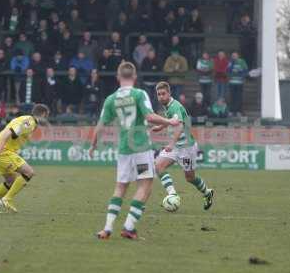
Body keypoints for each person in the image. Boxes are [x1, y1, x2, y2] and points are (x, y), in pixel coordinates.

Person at [89, 62, 179, 240]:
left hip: (124, 149)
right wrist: (169, 122)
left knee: (120, 187)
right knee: (145, 185)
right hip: (140, 147)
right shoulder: (139, 94)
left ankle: (107, 229)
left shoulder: (111, 99)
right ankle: (129, 227)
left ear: (118, 77)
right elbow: (149, 117)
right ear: (135, 77)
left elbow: (100, 126)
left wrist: (93, 145)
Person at [153, 81, 214, 210]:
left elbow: (180, 125)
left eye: (163, 94)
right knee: (158, 166)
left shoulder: (175, 106)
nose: (161, 97)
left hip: (186, 148)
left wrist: (171, 143)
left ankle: (208, 193)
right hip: (175, 147)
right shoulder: (168, 106)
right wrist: (161, 126)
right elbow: (170, 119)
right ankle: (172, 194)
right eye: (159, 94)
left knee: (190, 177)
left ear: (169, 93)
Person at [0, 104, 50, 213]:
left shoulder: (27, 121)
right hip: (3, 152)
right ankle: (7, 199)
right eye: (47, 116)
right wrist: (0, 147)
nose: (46, 119)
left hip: (0, 151)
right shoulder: (29, 122)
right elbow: (9, 132)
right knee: (29, 172)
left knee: (10, 180)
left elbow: (12, 133)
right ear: (43, 114)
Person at [228, 52, 248, 116]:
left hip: (239, 82)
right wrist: (232, 69)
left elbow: (245, 70)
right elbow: (227, 70)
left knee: (239, 97)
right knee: (232, 97)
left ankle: (239, 111)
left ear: (238, 56)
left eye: (235, 55)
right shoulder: (230, 62)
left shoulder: (242, 61)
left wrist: (239, 71)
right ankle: (232, 111)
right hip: (232, 82)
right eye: (233, 56)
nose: (234, 57)